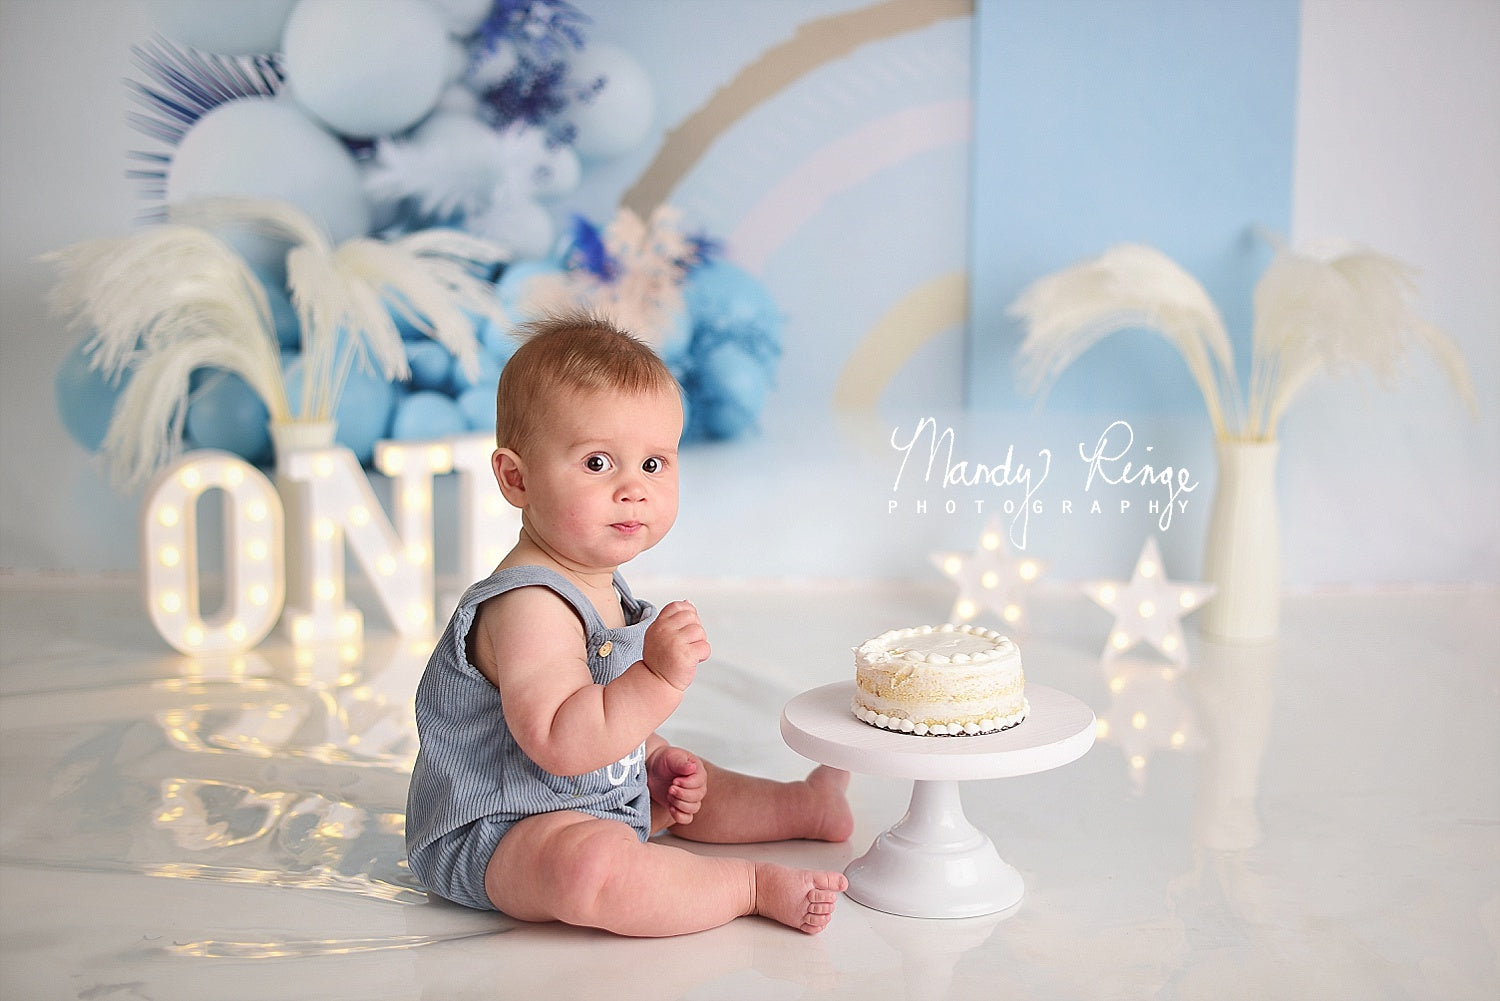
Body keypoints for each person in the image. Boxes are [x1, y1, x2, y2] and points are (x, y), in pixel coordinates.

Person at [406, 312, 853, 936]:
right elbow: (563, 739)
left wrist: (651, 756)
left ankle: (804, 805)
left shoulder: (597, 579)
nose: (632, 489)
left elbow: (603, 711)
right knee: (588, 868)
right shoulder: (529, 605)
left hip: (599, 791)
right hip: (502, 831)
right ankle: (747, 885)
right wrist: (658, 680)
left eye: (653, 464)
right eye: (597, 463)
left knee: (694, 781)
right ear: (517, 477)